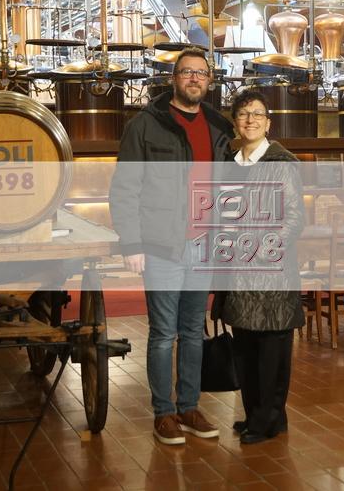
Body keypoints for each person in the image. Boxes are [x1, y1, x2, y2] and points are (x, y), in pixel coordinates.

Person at [110, 47, 233, 445]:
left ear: (209, 81)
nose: (194, 78)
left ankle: (189, 407)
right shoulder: (146, 125)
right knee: (164, 334)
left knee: (193, 332)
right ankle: (164, 413)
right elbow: (125, 189)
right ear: (174, 78)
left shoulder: (218, 127)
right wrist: (132, 242)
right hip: (161, 245)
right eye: (186, 72)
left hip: (202, 243)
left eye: (201, 73)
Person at [214, 90, 305, 445]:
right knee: (245, 348)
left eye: (257, 114)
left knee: (271, 351)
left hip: (270, 271)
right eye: (243, 114)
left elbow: (294, 218)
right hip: (236, 272)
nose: (250, 119)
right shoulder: (229, 162)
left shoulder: (281, 162)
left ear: (268, 123)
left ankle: (266, 420)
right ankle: (259, 415)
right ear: (235, 122)